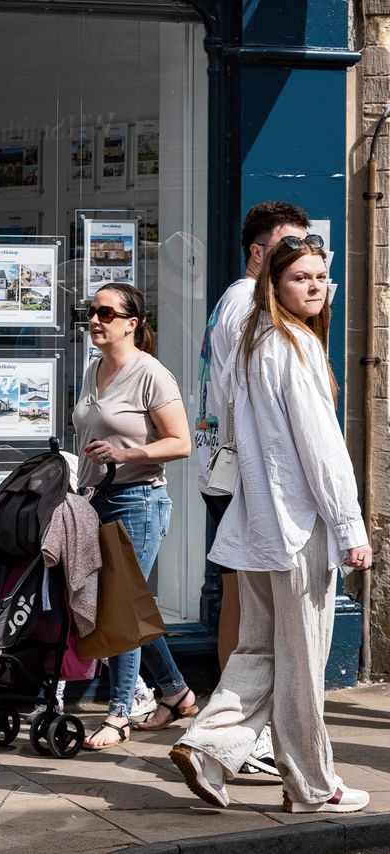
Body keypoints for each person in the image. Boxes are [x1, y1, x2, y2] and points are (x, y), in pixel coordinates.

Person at [170, 234, 372, 813]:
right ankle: (311, 785)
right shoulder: (296, 346)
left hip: (255, 522)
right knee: (304, 663)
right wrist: (350, 527)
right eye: (300, 277)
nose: (314, 286)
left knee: (258, 650)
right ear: (273, 284)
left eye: (319, 276)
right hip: (297, 524)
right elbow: (322, 449)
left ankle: (208, 747)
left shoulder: (254, 342)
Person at [194, 201, 310, 776]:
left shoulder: (235, 300)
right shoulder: (247, 304)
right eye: (287, 248)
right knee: (251, 607)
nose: (300, 259)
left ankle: (235, 730)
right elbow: (248, 392)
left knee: (242, 598)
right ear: (259, 253)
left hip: (229, 469)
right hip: (244, 474)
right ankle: (243, 733)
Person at [72, 283, 197, 750]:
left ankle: (121, 713)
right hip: (95, 500)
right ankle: (176, 691)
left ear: (133, 322)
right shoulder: (93, 370)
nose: (95, 320)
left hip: (139, 501)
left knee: (119, 607)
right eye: (91, 312)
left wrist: (128, 454)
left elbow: (180, 443)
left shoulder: (152, 375)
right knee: (130, 606)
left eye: (106, 312)